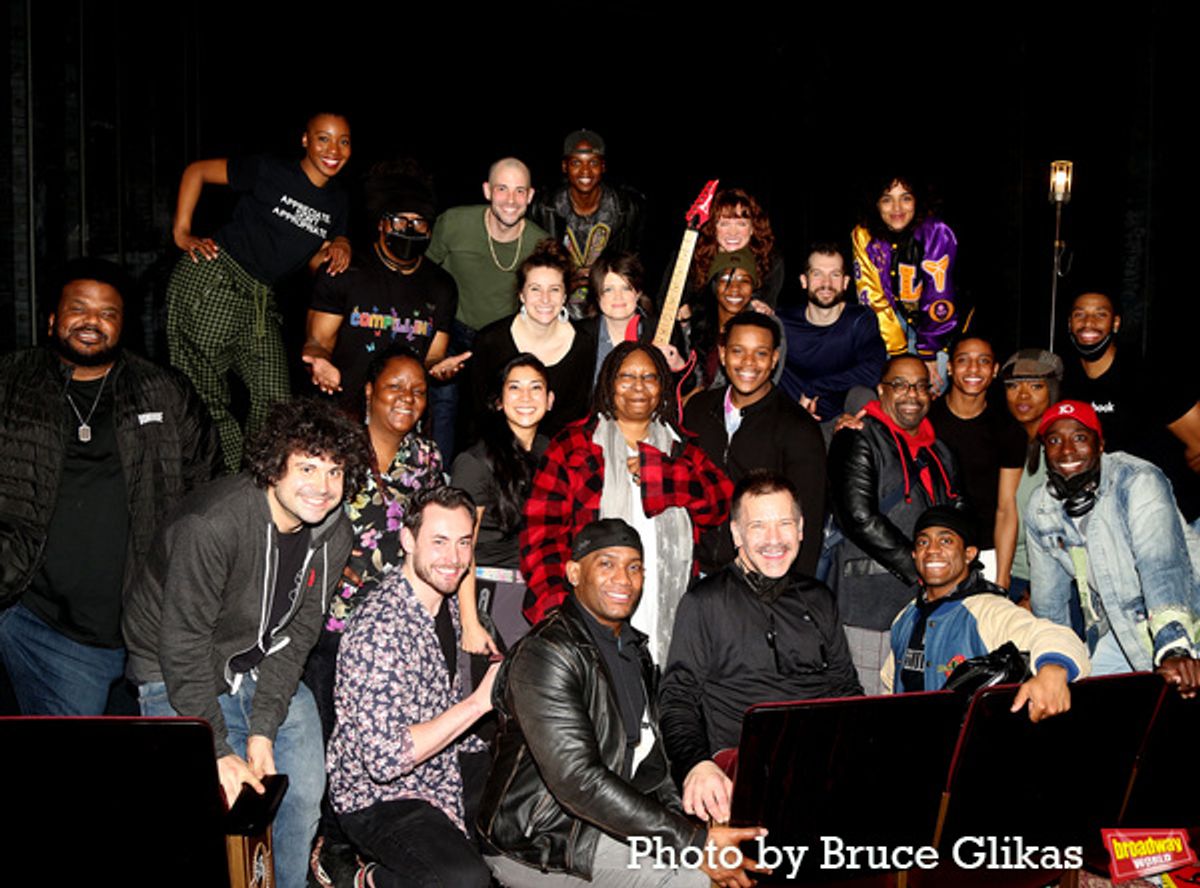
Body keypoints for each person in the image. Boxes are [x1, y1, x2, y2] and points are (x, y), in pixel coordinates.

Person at [123, 397, 372, 888]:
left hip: (258, 655)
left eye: (335, 472)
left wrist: (262, 729)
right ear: (273, 466)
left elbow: (300, 633)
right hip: (172, 663)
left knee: (301, 790)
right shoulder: (214, 526)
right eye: (307, 467)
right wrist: (218, 748)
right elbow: (183, 646)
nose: (322, 488)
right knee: (214, 810)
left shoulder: (333, 529)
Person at [479, 518, 768, 888]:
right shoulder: (547, 653)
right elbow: (578, 781)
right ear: (573, 572)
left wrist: (693, 820)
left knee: (742, 850)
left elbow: (653, 765)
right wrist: (695, 844)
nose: (623, 578)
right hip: (539, 838)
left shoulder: (634, 652)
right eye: (606, 564)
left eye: (634, 567)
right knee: (698, 879)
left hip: (601, 821)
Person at [0, 258, 219, 716]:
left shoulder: (164, 391)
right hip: (42, 624)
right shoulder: (11, 382)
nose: (92, 323)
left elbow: (209, 491)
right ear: (53, 319)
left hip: (150, 624)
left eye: (107, 313)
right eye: (79, 309)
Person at [301, 345, 447, 882]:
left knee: (382, 742)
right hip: (329, 625)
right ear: (368, 390)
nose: (406, 399)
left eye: (417, 390)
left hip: (393, 631)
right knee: (330, 738)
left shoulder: (426, 457)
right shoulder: (335, 446)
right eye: (394, 387)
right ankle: (329, 840)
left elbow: (441, 533)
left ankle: (360, 836)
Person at [660, 472, 861, 825]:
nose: (774, 540)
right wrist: (697, 763)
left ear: (801, 528)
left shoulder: (819, 598)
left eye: (784, 523)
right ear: (737, 533)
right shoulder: (704, 603)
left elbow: (846, 690)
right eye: (758, 526)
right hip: (741, 769)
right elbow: (677, 699)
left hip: (819, 764)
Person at [327, 486, 498, 888]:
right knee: (465, 880)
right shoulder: (380, 629)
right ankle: (364, 878)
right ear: (407, 539)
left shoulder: (447, 600)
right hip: (378, 796)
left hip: (442, 764)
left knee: (524, 819)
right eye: (438, 542)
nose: (453, 559)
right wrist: (478, 704)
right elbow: (385, 761)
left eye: (463, 543)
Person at [521, 342, 733, 662]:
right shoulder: (575, 446)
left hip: (668, 607)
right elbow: (541, 537)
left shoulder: (682, 449)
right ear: (609, 384)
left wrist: (667, 475)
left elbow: (721, 505)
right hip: (590, 612)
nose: (638, 386)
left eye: (649, 377)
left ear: (662, 388)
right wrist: (560, 618)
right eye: (626, 376)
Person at [166, 111, 353, 472]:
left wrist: (340, 245)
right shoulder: (271, 171)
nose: (334, 149)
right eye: (323, 138)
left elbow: (309, 257)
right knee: (207, 398)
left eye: (344, 141)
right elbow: (198, 171)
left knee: (276, 403)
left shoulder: (338, 201)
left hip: (261, 298)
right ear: (305, 140)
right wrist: (182, 231)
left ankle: (254, 484)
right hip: (216, 279)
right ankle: (222, 485)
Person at [1026, 401, 1200, 696]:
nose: (1067, 450)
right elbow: (1049, 603)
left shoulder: (1138, 481)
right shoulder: (1041, 508)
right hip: (1120, 626)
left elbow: (1161, 565)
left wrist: (1174, 647)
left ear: (1100, 444)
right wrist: (1051, 661)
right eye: (1055, 440)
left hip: (1185, 607)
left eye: (1080, 438)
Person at [827, 355, 964, 693]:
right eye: (900, 385)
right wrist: (921, 568)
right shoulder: (858, 437)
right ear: (881, 390)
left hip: (928, 608)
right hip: (870, 608)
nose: (911, 395)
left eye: (920, 386)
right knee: (867, 711)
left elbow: (957, 511)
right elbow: (858, 517)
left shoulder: (940, 451)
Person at [882, 505, 1088, 723]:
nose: (932, 549)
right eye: (923, 542)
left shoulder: (988, 610)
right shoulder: (905, 617)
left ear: (969, 553)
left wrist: (1054, 669)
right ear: (914, 554)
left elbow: (1053, 635)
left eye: (946, 541)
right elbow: (889, 685)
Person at [303, 166, 465, 440]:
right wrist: (319, 362)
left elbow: (433, 356)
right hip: (342, 419)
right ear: (382, 223)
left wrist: (440, 368)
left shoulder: (442, 285)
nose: (408, 229)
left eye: (418, 222)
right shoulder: (345, 270)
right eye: (400, 220)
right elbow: (317, 341)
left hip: (403, 422)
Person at [425, 157, 550, 460]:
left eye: (519, 191)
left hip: (504, 338)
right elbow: (424, 274)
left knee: (497, 414)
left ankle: (500, 484)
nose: (510, 200)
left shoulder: (540, 242)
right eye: (502, 189)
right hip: (454, 328)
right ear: (487, 190)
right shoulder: (454, 223)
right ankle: (436, 483)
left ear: (530, 196)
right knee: (443, 406)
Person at [683, 312, 826, 575]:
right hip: (693, 571)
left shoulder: (798, 428)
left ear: (774, 359)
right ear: (723, 354)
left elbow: (809, 523)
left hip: (760, 579)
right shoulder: (698, 410)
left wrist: (793, 598)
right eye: (738, 351)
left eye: (760, 353)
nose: (748, 363)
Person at [1061, 290, 1200, 519]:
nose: (1088, 323)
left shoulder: (1150, 377)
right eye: (1080, 315)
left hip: (1175, 518)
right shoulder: (1068, 382)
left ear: (1115, 323)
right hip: (1114, 520)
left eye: (1100, 315)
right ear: (1069, 323)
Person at [451, 354, 552, 653]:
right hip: (488, 593)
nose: (526, 397)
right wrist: (470, 622)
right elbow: (460, 546)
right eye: (515, 388)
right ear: (498, 401)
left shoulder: (553, 453)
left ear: (550, 400)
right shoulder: (475, 462)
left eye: (536, 388)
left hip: (539, 596)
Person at [467, 239, 596, 441]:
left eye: (554, 289)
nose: (545, 299)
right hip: (496, 451)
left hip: (555, 457)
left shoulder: (583, 345)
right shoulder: (490, 340)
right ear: (521, 294)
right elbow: (477, 414)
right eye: (535, 289)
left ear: (564, 296)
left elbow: (576, 418)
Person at [926, 336, 1026, 585]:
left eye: (983, 361)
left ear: (994, 371)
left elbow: (1006, 508)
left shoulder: (1007, 428)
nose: (973, 369)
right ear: (949, 367)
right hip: (933, 548)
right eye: (963, 360)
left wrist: (1002, 575)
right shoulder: (926, 418)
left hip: (986, 550)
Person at [851, 174, 958, 391]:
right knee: (892, 387)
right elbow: (871, 296)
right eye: (887, 199)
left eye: (906, 198)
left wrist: (928, 352)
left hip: (935, 326)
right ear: (875, 203)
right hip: (890, 321)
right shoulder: (863, 234)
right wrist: (898, 352)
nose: (897, 208)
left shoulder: (936, 232)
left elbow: (939, 297)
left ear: (918, 200)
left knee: (932, 387)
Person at [529, 129, 646, 315]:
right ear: (565, 166)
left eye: (593, 163)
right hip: (555, 310)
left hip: (609, 309)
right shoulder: (544, 208)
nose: (585, 171)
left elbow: (637, 261)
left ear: (603, 166)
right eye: (576, 163)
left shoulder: (626, 208)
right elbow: (533, 266)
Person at [778, 243, 888, 429]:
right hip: (791, 420)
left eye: (835, 274)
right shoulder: (782, 322)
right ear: (804, 281)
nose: (826, 283)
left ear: (845, 282)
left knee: (865, 398)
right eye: (817, 274)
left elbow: (874, 371)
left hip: (843, 421)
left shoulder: (860, 320)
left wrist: (814, 388)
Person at [999, 348, 1063, 603]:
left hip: (1050, 581)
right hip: (1004, 575)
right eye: (1013, 386)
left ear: (1053, 390)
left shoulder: (1064, 449)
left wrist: (1035, 593)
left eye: (1036, 386)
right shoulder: (1004, 442)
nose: (1023, 395)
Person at [579, 250, 686, 384]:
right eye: (608, 289)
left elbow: (687, 387)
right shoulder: (580, 334)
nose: (618, 297)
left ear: (638, 293)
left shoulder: (663, 328)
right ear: (597, 296)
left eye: (626, 288)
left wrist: (679, 367)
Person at [686, 187, 783, 309]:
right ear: (713, 228)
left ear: (753, 228)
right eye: (724, 224)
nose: (733, 232)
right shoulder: (691, 256)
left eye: (741, 224)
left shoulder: (770, 260)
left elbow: (768, 306)